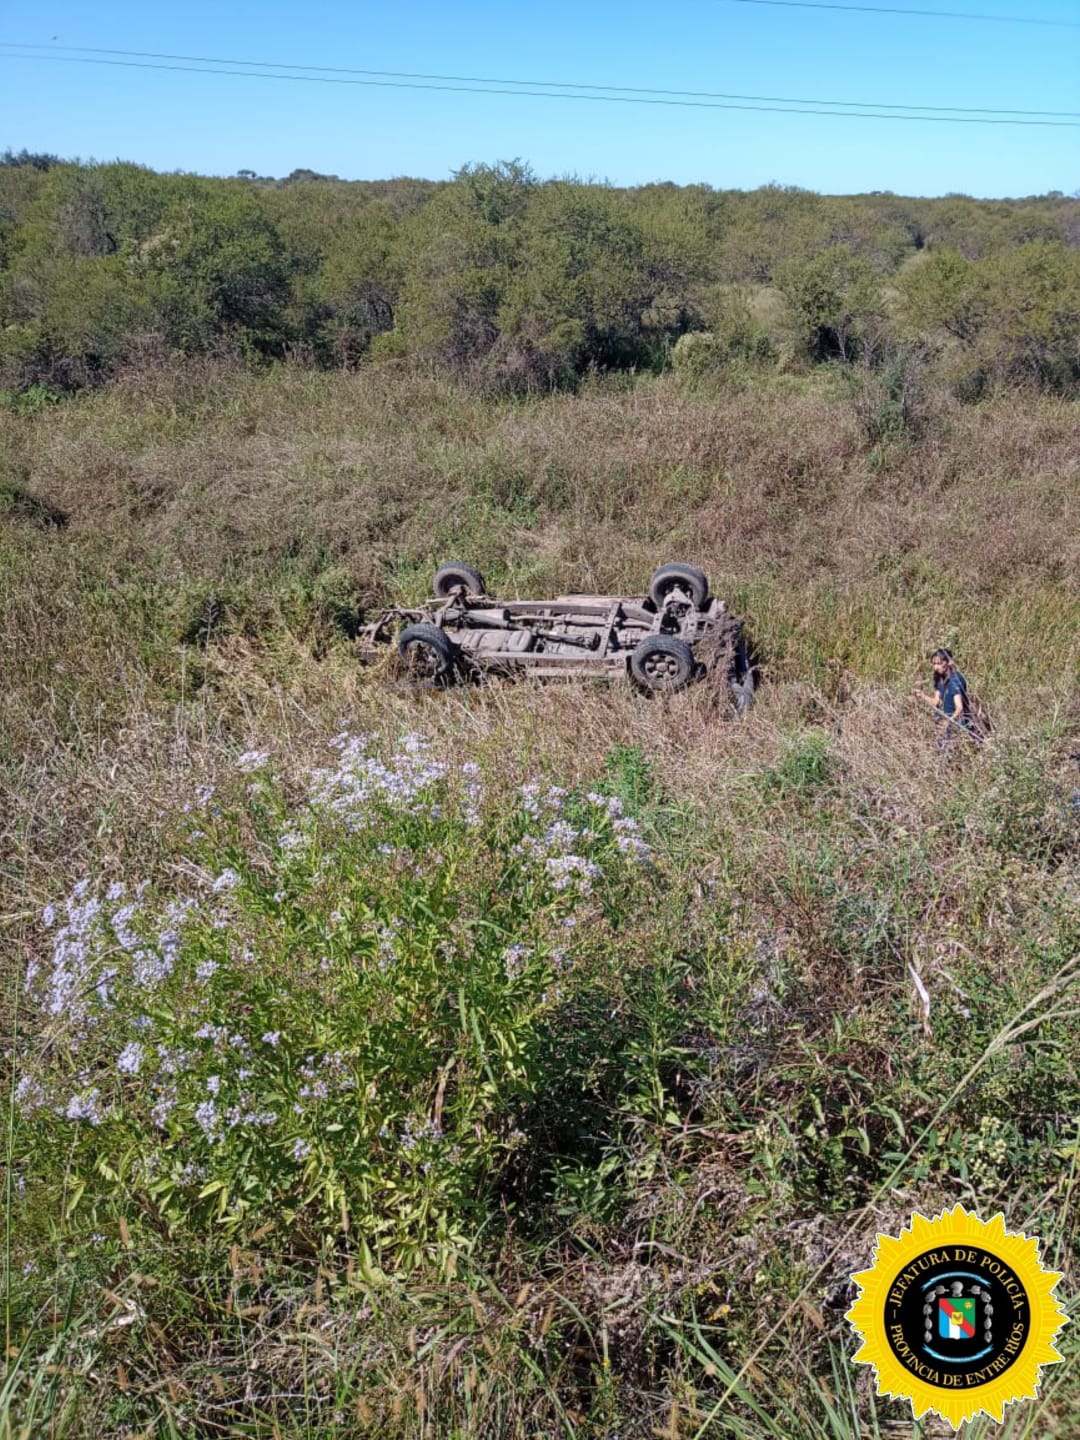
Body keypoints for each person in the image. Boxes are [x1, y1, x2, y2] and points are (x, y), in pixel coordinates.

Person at [912, 647, 973, 749]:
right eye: (934, 664)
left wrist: (948, 722)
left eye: (939, 664)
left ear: (948, 662)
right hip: (946, 723)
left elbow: (959, 708)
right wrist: (922, 696)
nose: (936, 667)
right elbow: (936, 702)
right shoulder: (940, 678)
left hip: (958, 724)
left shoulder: (955, 681)